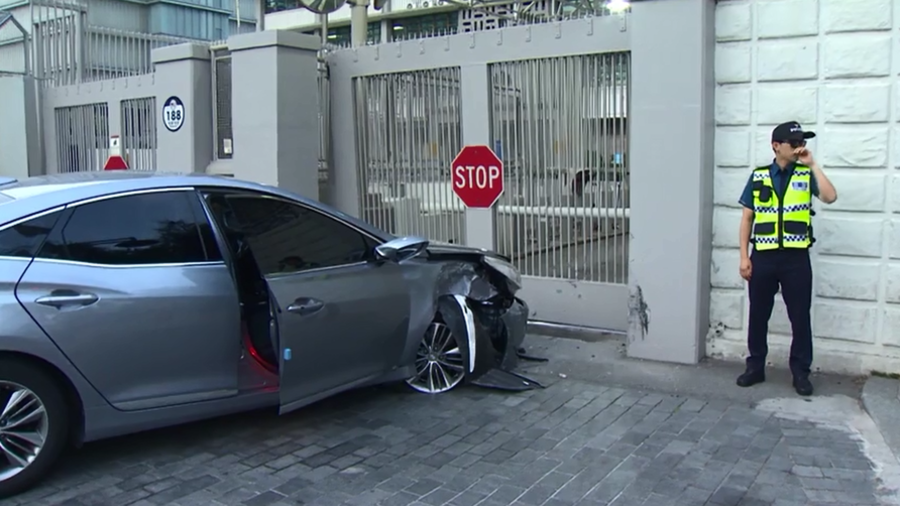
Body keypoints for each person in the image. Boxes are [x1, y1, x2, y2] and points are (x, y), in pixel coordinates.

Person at [735, 121, 838, 396]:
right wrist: (744, 257)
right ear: (776, 146)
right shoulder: (758, 176)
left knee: (799, 317)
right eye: (794, 143)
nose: (799, 148)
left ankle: (801, 373)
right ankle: (755, 367)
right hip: (764, 257)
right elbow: (747, 218)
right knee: (758, 315)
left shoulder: (805, 174)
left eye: (802, 142)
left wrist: (813, 164)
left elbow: (830, 197)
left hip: (795, 259)